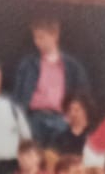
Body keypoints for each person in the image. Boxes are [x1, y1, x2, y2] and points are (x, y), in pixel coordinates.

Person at [12, 16, 90, 146]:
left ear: (55, 35)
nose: (37, 42)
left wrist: (74, 118)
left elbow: (83, 96)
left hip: (61, 119)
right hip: (34, 119)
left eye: (41, 37)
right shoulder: (28, 64)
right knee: (34, 158)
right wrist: (18, 120)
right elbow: (17, 95)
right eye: (35, 37)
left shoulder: (72, 66)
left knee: (58, 158)